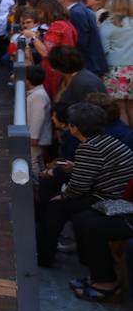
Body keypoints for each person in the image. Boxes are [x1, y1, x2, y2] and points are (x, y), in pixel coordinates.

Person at [36, 103, 133, 268]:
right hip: (113, 192)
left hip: (107, 197)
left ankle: (44, 258)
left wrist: (63, 196)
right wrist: (76, 167)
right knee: (58, 204)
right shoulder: (106, 140)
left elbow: (79, 188)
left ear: (74, 128)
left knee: (55, 206)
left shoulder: (89, 148)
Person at [26, 0, 78, 99]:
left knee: (54, 97)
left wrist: (33, 36)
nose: (39, 16)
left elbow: (46, 52)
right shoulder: (67, 23)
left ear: (47, 11)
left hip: (55, 70)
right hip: (64, 67)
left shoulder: (57, 26)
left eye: (40, 12)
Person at [58, 0, 108, 76]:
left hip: (87, 64)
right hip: (92, 62)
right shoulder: (85, 10)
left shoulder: (75, 13)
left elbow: (80, 41)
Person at [99, 0, 133, 124]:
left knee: (120, 106)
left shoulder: (108, 24)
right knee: (132, 106)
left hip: (116, 69)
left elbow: (104, 49)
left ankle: (126, 139)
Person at [25, 66, 52, 177]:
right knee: (38, 160)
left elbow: (38, 116)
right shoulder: (38, 93)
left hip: (36, 137)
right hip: (37, 136)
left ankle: (37, 184)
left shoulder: (38, 95)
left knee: (33, 161)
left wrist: (34, 136)